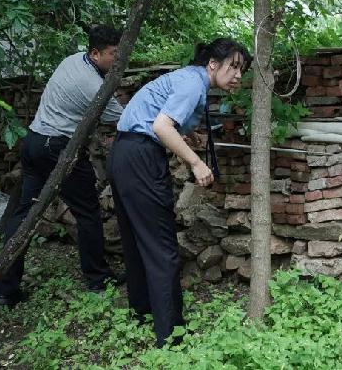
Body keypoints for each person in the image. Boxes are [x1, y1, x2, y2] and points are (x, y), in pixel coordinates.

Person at [107, 38, 250, 347]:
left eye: (242, 69)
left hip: (123, 152)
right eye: (234, 66)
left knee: (135, 239)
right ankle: (171, 336)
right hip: (142, 157)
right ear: (213, 64)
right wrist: (196, 163)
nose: (238, 75)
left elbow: (159, 117)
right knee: (162, 247)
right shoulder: (193, 84)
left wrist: (188, 135)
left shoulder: (187, 78)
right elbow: (161, 127)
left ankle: (143, 310)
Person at [0, 25, 126, 307]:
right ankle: (98, 279)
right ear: (95, 53)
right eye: (113, 54)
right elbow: (121, 117)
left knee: (24, 214)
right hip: (58, 149)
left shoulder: (72, 60)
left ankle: (5, 290)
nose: (118, 59)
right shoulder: (92, 86)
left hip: (34, 141)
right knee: (87, 212)